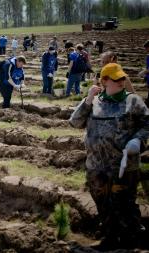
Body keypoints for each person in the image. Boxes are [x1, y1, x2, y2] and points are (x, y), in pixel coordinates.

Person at [69, 63, 149, 250]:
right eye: (116, 79)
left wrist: (137, 140)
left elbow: (147, 123)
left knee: (125, 204)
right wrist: (88, 100)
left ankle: (131, 240)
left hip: (123, 166)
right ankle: (110, 238)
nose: (122, 82)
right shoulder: (95, 101)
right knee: (103, 204)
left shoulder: (133, 101)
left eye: (122, 78)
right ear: (104, 81)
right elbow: (75, 122)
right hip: (96, 166)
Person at [139, 40, 149, 104]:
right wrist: (145, 76)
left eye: (147, 48)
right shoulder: (148, 56)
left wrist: (143, 72)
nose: (146, 49)